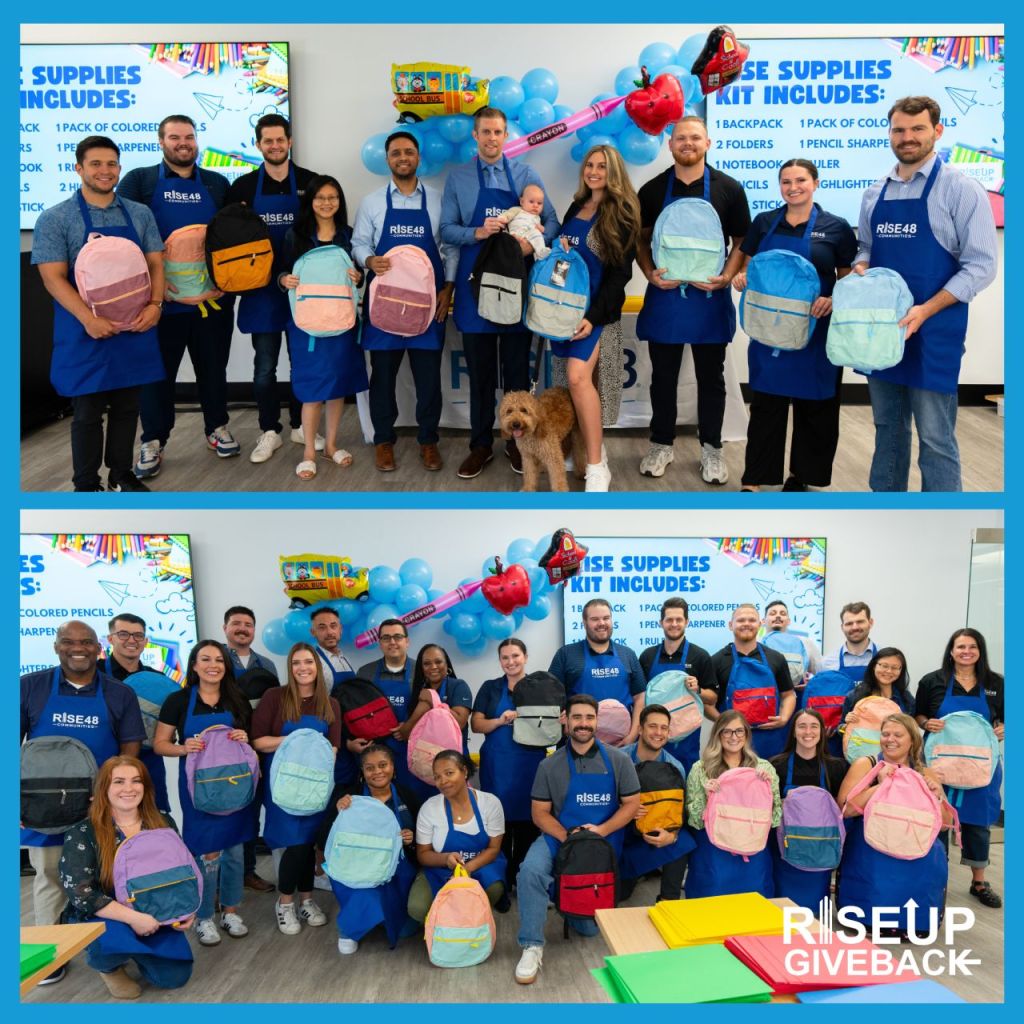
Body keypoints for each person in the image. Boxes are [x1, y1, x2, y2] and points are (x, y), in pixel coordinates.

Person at [854, 96, 998, 492]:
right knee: (888, 431)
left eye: (917, 129)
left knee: (935, 439)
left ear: (937, 131)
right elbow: (865, 248)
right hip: (882, 333)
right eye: (899, 130)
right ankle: (886, 512)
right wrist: (860, 268)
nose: (907, 137)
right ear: (890, 134)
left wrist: (925, 310)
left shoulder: (961, 190)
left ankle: (941, 518)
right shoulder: (874, 193)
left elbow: (982, 265)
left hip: (934, 333)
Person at [31, 135, 164, 492]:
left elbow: (155, 263)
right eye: (96, 164)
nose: (105, 171)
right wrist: (88, 319)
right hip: (85, 329)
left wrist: (155, 305)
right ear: (79, 168)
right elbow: (53, 278)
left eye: (111, 164)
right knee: (88, 411)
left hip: (135, 325)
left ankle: (121, 474)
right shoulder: (55, 218)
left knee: (127, 406)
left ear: (119, 168)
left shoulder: (139, 213)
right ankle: (86, 483)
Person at [21, 620, 145, 983]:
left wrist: (123, 794)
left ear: (98, 648)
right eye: (69, 642)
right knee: (49, 878)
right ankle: (49, 955)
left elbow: (131, 748)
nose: (79, 648)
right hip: (43, 808)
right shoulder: (29, 688)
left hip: (102, 807)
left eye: (87, 642)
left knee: (108, 878)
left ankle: (111, 955)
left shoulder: (119, 693)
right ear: (57, 646)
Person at [440, 105, 559, 480]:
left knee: (516, 376)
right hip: (475, 293)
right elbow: (446, 230)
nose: (492, 138)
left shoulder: (525, 174)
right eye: (485, 132)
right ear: (475, 136)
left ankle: (517, 445)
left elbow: (553, 222)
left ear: (506, 136)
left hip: (516, 291)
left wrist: (529, 244)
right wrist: (476, 232)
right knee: (480, 376)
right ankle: (479, 445)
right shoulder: (458, 178)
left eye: (498, 132)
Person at [118, 115, 238, 476]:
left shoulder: (217, 183)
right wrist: (153, 287)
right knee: (157, 374)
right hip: (161, 302)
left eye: (188, 136)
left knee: (214, 369)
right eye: (174, 137)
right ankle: (153, 441)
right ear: (161, 141)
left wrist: (228, 281)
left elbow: (231, 238)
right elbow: (125, 237)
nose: (183, 142)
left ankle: (216, 428)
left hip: (211, 299)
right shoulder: (140, 181)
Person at [635, 116, 751, 485]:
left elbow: (741, 242)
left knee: (710, 379)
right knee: (663, 378)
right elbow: (639, 240)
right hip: (666, 298)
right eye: (681, 138)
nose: (688, 143)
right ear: (670, 145)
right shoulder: (652, 190)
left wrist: (727, 277)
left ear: (708, 143)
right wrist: (650, 272)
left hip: (709, 299)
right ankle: (661, 443)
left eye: (695, 138)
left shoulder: (729, 189)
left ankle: (712, 449)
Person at [732, 159, 856, 492]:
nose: (793, 187)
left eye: (800, 180)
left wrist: (834, 299)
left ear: (815, 182)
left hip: (817, 330)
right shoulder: (765, 223)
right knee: (766, 407)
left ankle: (803, 477)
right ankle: (755, 477)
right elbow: (748, 267)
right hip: (771, 329)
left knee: (815, 407)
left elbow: (847, 281)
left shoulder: (837, 227)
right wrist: (741, 279)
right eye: (785, 181)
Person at [514, 695, 640, 985]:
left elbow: (632, 804)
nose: (583, 724)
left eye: (589, 718)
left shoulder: (619, 760)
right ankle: (532, 945)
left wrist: (601, 831)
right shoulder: (549, 766)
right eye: (577, 717)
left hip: (601, 843)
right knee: (530, 871)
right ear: (565, 721)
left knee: (589, 930)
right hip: (560, 837)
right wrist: (566, 837)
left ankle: (566, 902)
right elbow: (539, 813)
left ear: (597, 721)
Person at [352, 131, 456, 473]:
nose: (402, 157)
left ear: (418, 157)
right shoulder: (371, 202)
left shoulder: (440, 200)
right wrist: (369, 261)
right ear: (387, 159)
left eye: (409, 152)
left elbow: (448, 248)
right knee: (382, 378)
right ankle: (384, 440)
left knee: (429, 380)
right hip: (384, 307)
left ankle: (428, 441)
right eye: (396, 152)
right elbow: (359, 243)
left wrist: (448, 287)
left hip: (427, 307)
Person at [225, 114, 319, 465]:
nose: (275, 146)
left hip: (302, 289)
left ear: (290, 141)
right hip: (260, 291)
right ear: (258, 145)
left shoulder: (311, 182)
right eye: (268, 141)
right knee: (264, 366)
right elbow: (227, 241)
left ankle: (299, 425)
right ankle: (269, 430)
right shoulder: (243, 188)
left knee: (302, 364)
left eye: (281, 140)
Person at [60, 756, 194, 998]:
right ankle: (109, 966)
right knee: (107, 942)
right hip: (106, 912)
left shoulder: (163, 822)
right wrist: (135, 919)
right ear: (104, 789)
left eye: (136, 781)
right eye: (119, 781)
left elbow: (184, 871)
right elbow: (84, 895)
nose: (129, 789)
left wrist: (187, 910)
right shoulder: (82, 833)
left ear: (145, 786)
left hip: (155, 907)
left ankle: (138, 950)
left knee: (174, 978)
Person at [550, 145, 642, 492]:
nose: (593, 171)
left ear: (614, 172)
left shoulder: (622, 212)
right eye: (589, 165)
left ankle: (596, 466)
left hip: (596, 314)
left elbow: (619, 276)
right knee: (566, 384)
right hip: (563, 311)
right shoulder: (577, 206)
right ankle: (588, 448)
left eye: (602, 166)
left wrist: (592, 316)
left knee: (577, 379)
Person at [152, 641, 254, 947]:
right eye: (205, 659)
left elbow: (249, 740)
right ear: (194, 665)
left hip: (236, 784)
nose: (213, 665)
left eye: (219, 660)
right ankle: (205, 917)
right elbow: (159, 744)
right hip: (200, 789)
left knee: (235, 852)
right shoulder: (179, 700)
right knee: (207, 854)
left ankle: (231, 912)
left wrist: (244, 736)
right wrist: (184, 747)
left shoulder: (237, 700)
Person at [280, 174, 367, 480]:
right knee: (312, 389)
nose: (327, 203)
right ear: (310, 201)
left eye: (333, 197)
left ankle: (330, 446)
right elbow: (280, 272)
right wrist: (283, 280)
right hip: (307, 324)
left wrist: (359, 278)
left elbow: (360, 274)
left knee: (336, 387)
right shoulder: (296, 235)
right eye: (320, 198)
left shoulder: (349, 235)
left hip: (343, 322)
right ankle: (308, 453)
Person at [837, 713, 955, 935]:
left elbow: (944, 825)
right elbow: (845, 809)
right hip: (872, 845)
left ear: (912, 740)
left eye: (897, 735)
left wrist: (937, 795)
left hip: (914, 845)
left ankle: (915, 920)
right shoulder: (867, 764)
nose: (889, 739)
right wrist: (880, 785)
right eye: (885, 734)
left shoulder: (925, 772)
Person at [252, 642, 340, 935]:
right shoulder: (274, 697)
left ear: (318, 667)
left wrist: (307, 744)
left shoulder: (331, 704)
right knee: (295, 843)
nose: (303, 668)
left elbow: (334, 748)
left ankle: (307, 900)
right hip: (283, 787)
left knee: (307, 844)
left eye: (309, 662)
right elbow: (259, 741)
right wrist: (300, 739)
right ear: (289, 668)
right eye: (296, 663)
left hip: (315, 786)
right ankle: (286, 903)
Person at [915, 628, 1004, 908]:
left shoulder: (996, 683)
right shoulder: (932, 681)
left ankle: (979, 880)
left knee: (978, 823)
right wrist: (926, 723)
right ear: (951, 651)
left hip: (981, 766)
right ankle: (935, 877)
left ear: (980, 651)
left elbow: (1006, 717)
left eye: (972, 647)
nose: (966, 651)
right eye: (960, 647)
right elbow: (918, 714)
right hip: (941, 764)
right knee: (937, 820)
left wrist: (1003, 727)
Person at [319, 743, 420, 954]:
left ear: (393, 766)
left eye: (383, 765)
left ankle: (379, 918)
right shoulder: (349, 798)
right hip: (359, 863)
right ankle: (349, 930)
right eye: (370, 768)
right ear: (363, 772)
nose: (377, 772)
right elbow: (325, 838)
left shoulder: (408, 796)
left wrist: (412, 839)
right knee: (365, 890)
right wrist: (339, 814)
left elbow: (425, 836)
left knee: (406, 931)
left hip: (398, 867)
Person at [471, 638, 548, 892]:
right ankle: (500, 883)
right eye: (505, 657)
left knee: (528, 825)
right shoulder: (490, 688)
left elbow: (552, 726)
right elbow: (476, 724)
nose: (511, 662)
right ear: (500, 661)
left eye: (515, 656)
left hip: (530, 766)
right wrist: (500, 721)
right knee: (497, 827)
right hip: (497, 766)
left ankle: (521, 878)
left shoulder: (540, 686)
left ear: (525, 657)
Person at [684, 711, 781, 899]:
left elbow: (775, 817)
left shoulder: (764, 769)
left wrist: (766, 791)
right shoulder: (700, 769)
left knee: (751, 910)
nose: (733, 737)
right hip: (713, 855)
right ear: (718, 735)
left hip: (752, 855)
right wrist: (707, 797)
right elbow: (694, 820)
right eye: (726, 732)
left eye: (739, 731)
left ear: (746, 734)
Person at [408, 750, 507, 923]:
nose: (443, 781)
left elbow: (493, 849)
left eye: (449, 773)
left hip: (479, 866)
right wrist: (446, 859)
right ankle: (443, 927)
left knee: (492, 890)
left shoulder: (490, 803)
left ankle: (471, 924)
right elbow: (423, 855)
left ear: (464, 771)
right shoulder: (429, 808)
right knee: (417, 908)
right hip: (440, 870)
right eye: (437, 777)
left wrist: (466, 870)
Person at [768, 709, 848, 909]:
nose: (808, 732)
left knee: (812, 912)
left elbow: (842, 810)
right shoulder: (776, 765)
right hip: (783, 847)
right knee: (782, 908)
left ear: (822, 731)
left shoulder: (836, 767)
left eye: (814, 726)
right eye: (801, 726)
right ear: (793, 732)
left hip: (820, 848)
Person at [620, 704, 696, 902]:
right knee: (620, 894)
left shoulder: (675, 767)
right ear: (640, 729)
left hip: (658, 831)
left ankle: (669, 901)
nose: (658, 733)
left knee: (683, 842)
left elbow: (680, 813)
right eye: (653, 726)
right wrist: (624, 810)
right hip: (625, 835)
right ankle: (639, 873)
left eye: (664, 728)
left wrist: (671, 836)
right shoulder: (620, 760)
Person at [97, 613, 171, 814]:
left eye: (138, 635)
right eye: (123, 634)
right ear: (110, 639)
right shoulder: (93, 674)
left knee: (153, 823)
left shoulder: (158, 680)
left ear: (146, 642)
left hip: (147, 765)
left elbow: (171, 727)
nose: (132, 640)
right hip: (103, 761)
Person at [548, 598, 647, 746]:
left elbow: (640, 697)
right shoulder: (566, 654)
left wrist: (632, 736)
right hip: (578, 742)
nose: (602, 623)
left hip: (622, 745)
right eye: (595, 619)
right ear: (584, 622)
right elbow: (551, 696)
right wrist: (564, 724)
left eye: (606, 618)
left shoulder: (628, 654)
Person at [638, 596, 716, 774]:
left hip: (686, 744)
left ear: (686, 622)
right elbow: (639, 698)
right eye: (669, 620)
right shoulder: (647, 656)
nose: (674, 624)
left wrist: (697, 689)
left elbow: (712, 698)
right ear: (661, 622)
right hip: (651, 743)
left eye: (679, 619)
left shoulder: (700, 656)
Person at [710, 604, 794, 758]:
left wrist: (784, 718)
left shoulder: (776, 658)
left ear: (760, 623)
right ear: (731, 625)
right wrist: (726, 725)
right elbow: (707, 704)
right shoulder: (716, 661)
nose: (746, 624)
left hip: (770, 741)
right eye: (741, 620)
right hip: (730, 742)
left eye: (751, 620)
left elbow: (788, 695)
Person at [347, 619, 417, 794]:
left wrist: (410, 726)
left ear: (407, 641)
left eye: (397, 637)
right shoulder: (365, 673)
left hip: (412, 752)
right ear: (380, 643)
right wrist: (350, 742)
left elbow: (433, 712)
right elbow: (353, 713)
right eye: (386, 638)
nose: (392, 642)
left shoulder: (421, 671)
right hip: (375, 756)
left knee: (411, 800)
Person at [840, 646, 915, 722]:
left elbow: (911, 730)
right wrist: (845, 724)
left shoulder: (906, 698)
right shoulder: (854, 696)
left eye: (895, 668)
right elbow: (841, 730)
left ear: (901, 670)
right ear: (874, 666)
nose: (889, 671)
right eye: (884, 666)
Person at [762, 599, 822, 682]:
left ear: (789, 621)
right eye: (773, 613)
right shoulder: (757, 644)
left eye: (783, 614)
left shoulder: (806, 643)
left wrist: (810, 682)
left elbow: (821, 675)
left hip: (799, 694)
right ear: (763, 621)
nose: (778, 616)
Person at [820, 602, 878, 683]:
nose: (855, 627)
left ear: (870, 623)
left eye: (860, 622)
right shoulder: (827, 663)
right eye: (849, 623)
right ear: (842, 627)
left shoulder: (886, 658)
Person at [497, 184, 551, 257]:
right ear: (522, 202)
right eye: (531, 202)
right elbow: (508, 214)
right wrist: (503, 218)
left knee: (537, 235)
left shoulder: (537, 218)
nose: (535, 205)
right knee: (507, 236)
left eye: (539, 203)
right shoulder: (518, 210)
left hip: (528, 236)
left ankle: (541, 251)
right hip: (515, 233)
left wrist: (541, 229)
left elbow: (540, 229)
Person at [310, 606, 356, 688]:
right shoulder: (312, 662)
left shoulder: (345, 659)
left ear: (340, 629)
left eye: (333, 626)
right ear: (313, 632)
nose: (329, 632)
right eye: (322, 627)